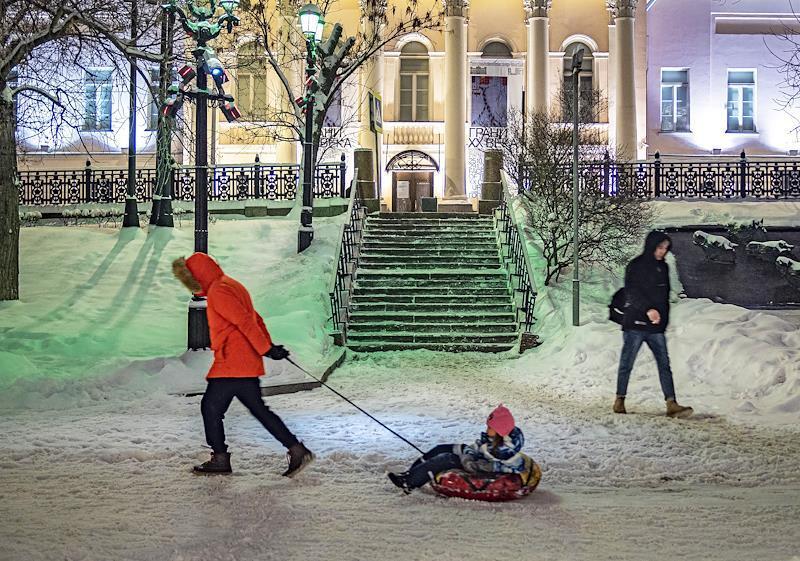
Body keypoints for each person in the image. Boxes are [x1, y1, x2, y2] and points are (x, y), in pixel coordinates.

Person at [172, 252, 314, 477]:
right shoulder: (231, 284)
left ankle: (220, 458)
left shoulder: (219, 291)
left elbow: (245, 321)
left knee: (210, 408)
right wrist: (266, 346)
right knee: (258, 409)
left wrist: (266, 349)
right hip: (241, 360)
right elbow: (256, 318)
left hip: (233, 362)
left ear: (198, 275)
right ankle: (297, 449)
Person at [614, 231, 693, 418]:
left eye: (665, 249)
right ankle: (620, 399)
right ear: (652, 246)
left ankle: (671, 402)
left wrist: (662, 319)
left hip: (655, 326)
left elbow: (663, 296)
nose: (662, 252)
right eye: (659, 248)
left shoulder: (663, 268)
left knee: (664, 364)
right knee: (627, 362)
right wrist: (648, 310)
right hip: (635, 323)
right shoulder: (636, 266)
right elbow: (632, 293)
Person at [387, 405, 525, 493]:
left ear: (500, 431)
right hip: (474, 458)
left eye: (490, 427)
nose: (486, 429)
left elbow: (512, 466)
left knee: (445, 459)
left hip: (477, 466)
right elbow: (477, 447)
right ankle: (410, 473)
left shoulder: (508, 451)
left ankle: (409, 483)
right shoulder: (493, 439)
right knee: (441, 449)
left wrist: (476, 464)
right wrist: (469, 454)